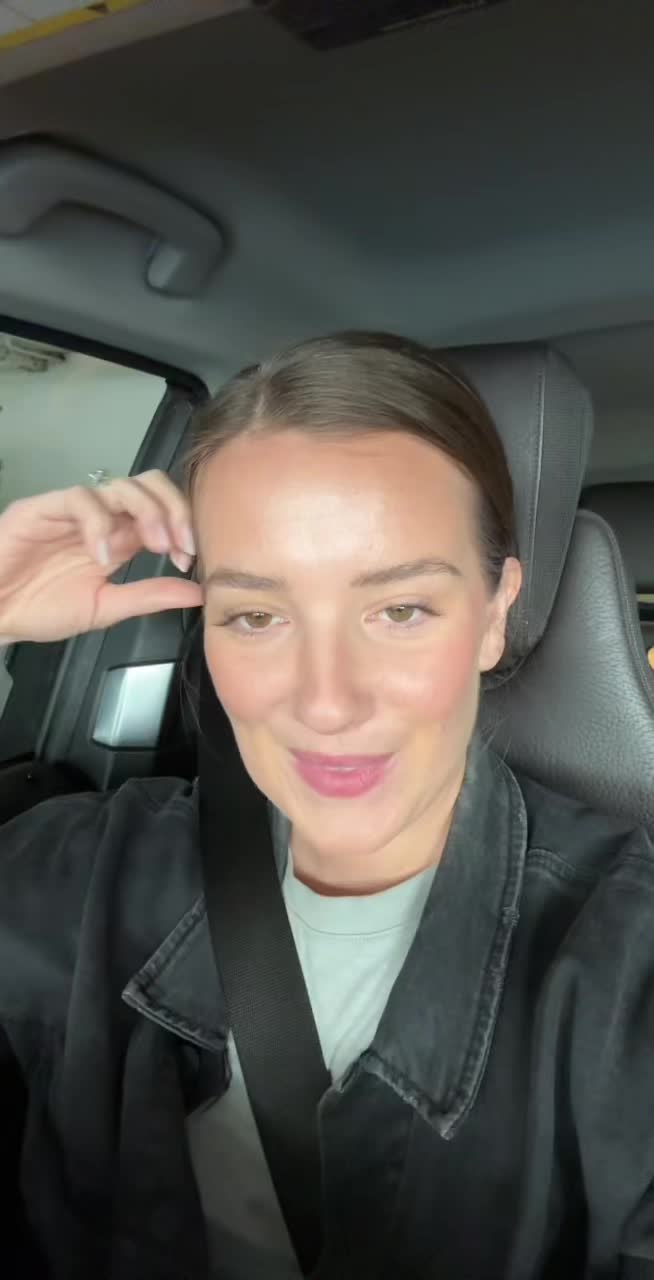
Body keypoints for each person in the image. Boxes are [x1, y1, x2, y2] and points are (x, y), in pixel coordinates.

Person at [0, 331, 653, 1280]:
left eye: (400, 610)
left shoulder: (625, 964)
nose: (327, 702)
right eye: (256, 616)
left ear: (493, 613)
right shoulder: (93, 868)